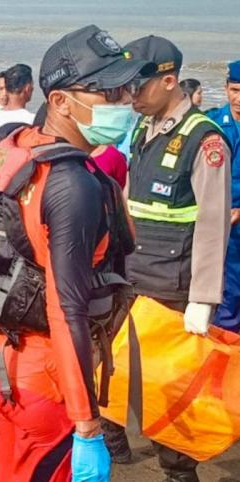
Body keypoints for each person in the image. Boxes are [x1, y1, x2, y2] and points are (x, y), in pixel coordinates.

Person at [0, 25, 149, 482]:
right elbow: (67, 309)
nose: (125, 102)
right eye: (108, 91)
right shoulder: (74, 183)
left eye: (126, 88)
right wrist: (86, 425)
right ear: (61, 101)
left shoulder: (12, 149)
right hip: (46, 384)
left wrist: (8, 310)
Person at [99, 36, 233, 481]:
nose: (129, 96)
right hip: (131, 278)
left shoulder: (204, 140)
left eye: (137, 87)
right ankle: (113, 443)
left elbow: (214, 223)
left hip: (173, 290)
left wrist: (203, 297)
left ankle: (179, 471)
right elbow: (129, 201)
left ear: (169, 80)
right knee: (112, 370)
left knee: (167, 392)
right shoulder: (143, 129)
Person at [207, 60, 240, 331]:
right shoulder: (211, 124)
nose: (239, 99)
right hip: (218, 222)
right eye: (235, 90)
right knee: (223, 293)